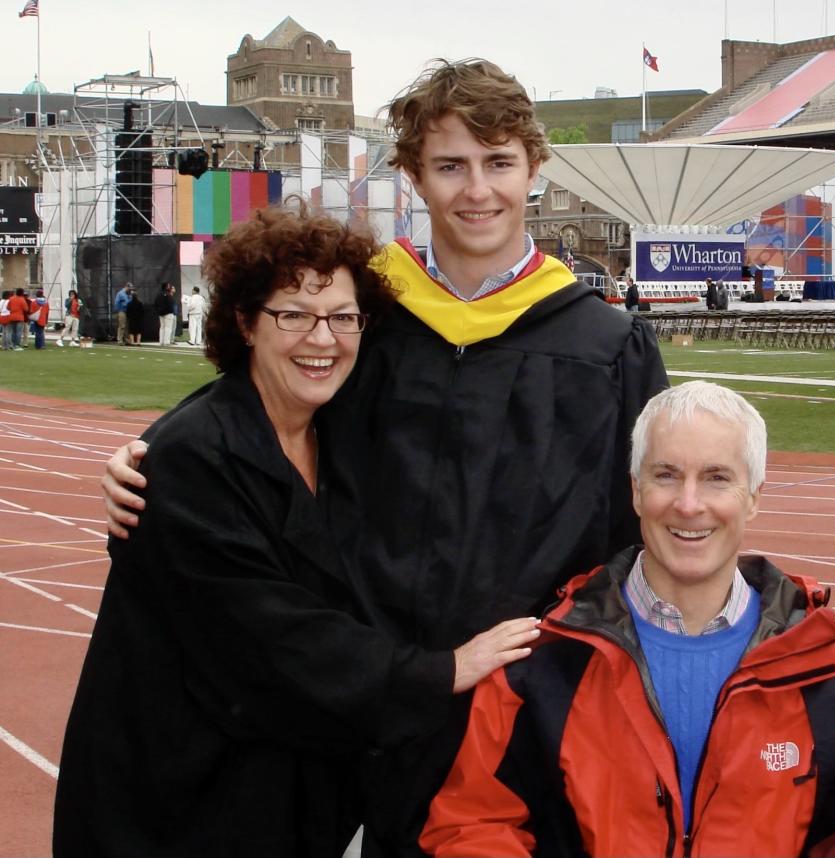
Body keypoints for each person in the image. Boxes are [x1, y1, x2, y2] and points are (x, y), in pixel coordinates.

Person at [101, 58, 669, 856]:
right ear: (412, 175)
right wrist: (146, 454)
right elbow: (258, 407)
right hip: (357, 702)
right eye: (450, 166)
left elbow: (633, 531)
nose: (478, 191)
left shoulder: (603, 347)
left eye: (499, 162)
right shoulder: (371, 317)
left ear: (535, 171)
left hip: (525, 705)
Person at [54, 206, 539, 858]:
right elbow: (276, 641)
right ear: (246, 323)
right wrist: (443, 669)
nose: (323, 338)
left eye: (343, 317)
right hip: (173, 808)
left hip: (280, 795)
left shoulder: (340, 436)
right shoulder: (189, 460)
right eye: (294, 314)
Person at [422, 381, 835, 858]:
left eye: (716, 478)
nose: (689, 505)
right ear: (635, 490)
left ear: (754, 496)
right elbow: (473, 827)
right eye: (666, 475)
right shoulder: (540, 670)